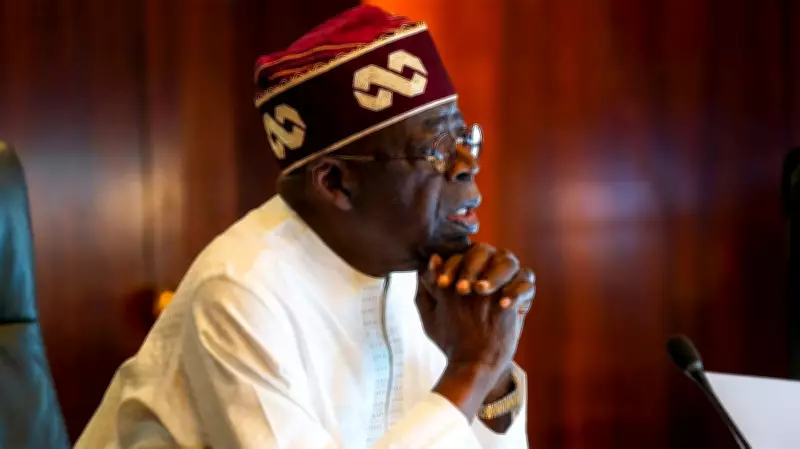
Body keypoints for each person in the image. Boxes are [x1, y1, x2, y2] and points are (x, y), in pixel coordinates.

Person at [76, 5, 536, 448]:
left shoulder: (423, 269)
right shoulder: (242, 290)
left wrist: (493, 373)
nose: (467, 163)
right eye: (437, 149)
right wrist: (471, 368)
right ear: (336, 182)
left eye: (465, 139)